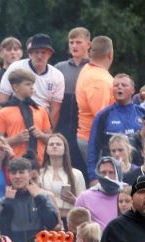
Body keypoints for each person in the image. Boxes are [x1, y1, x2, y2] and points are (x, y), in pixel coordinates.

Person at [0, 34, 64, 130]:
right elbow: (2, 98)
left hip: (41, 120)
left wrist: (49, 133)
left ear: (49, 54)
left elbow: (55, 109)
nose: (39, 56)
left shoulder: (57, 76)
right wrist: (4, 126)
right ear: (30, 53)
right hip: (15, 117)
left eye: (43, 52)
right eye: (36, 52)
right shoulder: (16, 67)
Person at [87, 75, 144, 180]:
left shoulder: (142, 113)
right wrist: (93, 177)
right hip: (111, 173)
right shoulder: (103, 115)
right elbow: (93, 148)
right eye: (116, 85)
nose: (119, 87)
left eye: (124, 85)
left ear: (133, 90)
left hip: (138, 172)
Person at [0, 157, 59, 242]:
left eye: (21, 172)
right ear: (9, 175)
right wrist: (8, 205)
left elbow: (52, 224)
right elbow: (0, 230)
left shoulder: (43, 197)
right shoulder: (2, 202)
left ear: (29, 174)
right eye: (13, 173)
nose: (17, 176)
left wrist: (38, 199)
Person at [0, 69, 52, 161]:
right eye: (28, 84)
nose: (32, 87)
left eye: (32, 84)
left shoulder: (40, 110)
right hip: (14, 165)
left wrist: (41, 135)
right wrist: (14, 140)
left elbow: (51, 139)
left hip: (38, 164)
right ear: (15, 87)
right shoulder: (4, 112)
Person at [55, 27, 91, 172]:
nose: (74, 46)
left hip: (84, 123)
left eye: (78, 42)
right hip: (63, 121)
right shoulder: (59, 67)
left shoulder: (93, 67)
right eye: (71, 42)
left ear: (88, 44)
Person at [76, 36, 115, 162]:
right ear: (110, 54)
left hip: (91, 138)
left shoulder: (88, 69)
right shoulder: (99, 79)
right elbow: (101, 115)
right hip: (96, 141)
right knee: (103, 180)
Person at [38, 133, 86, 225]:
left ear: (65, 149)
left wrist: (75, 200)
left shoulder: (77, 174)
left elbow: (83, 204)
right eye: (51, 144)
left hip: (71, 221)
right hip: (46, 221)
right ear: (46, 149)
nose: (54, 146)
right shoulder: (40, 174)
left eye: (58, 144)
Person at [75, 156, 124, 230]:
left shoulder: (126, 195)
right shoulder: (84, 197)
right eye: (103, 173)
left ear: (118, 173)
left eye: (111, 172)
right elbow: (76, 225)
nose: (107, 176)